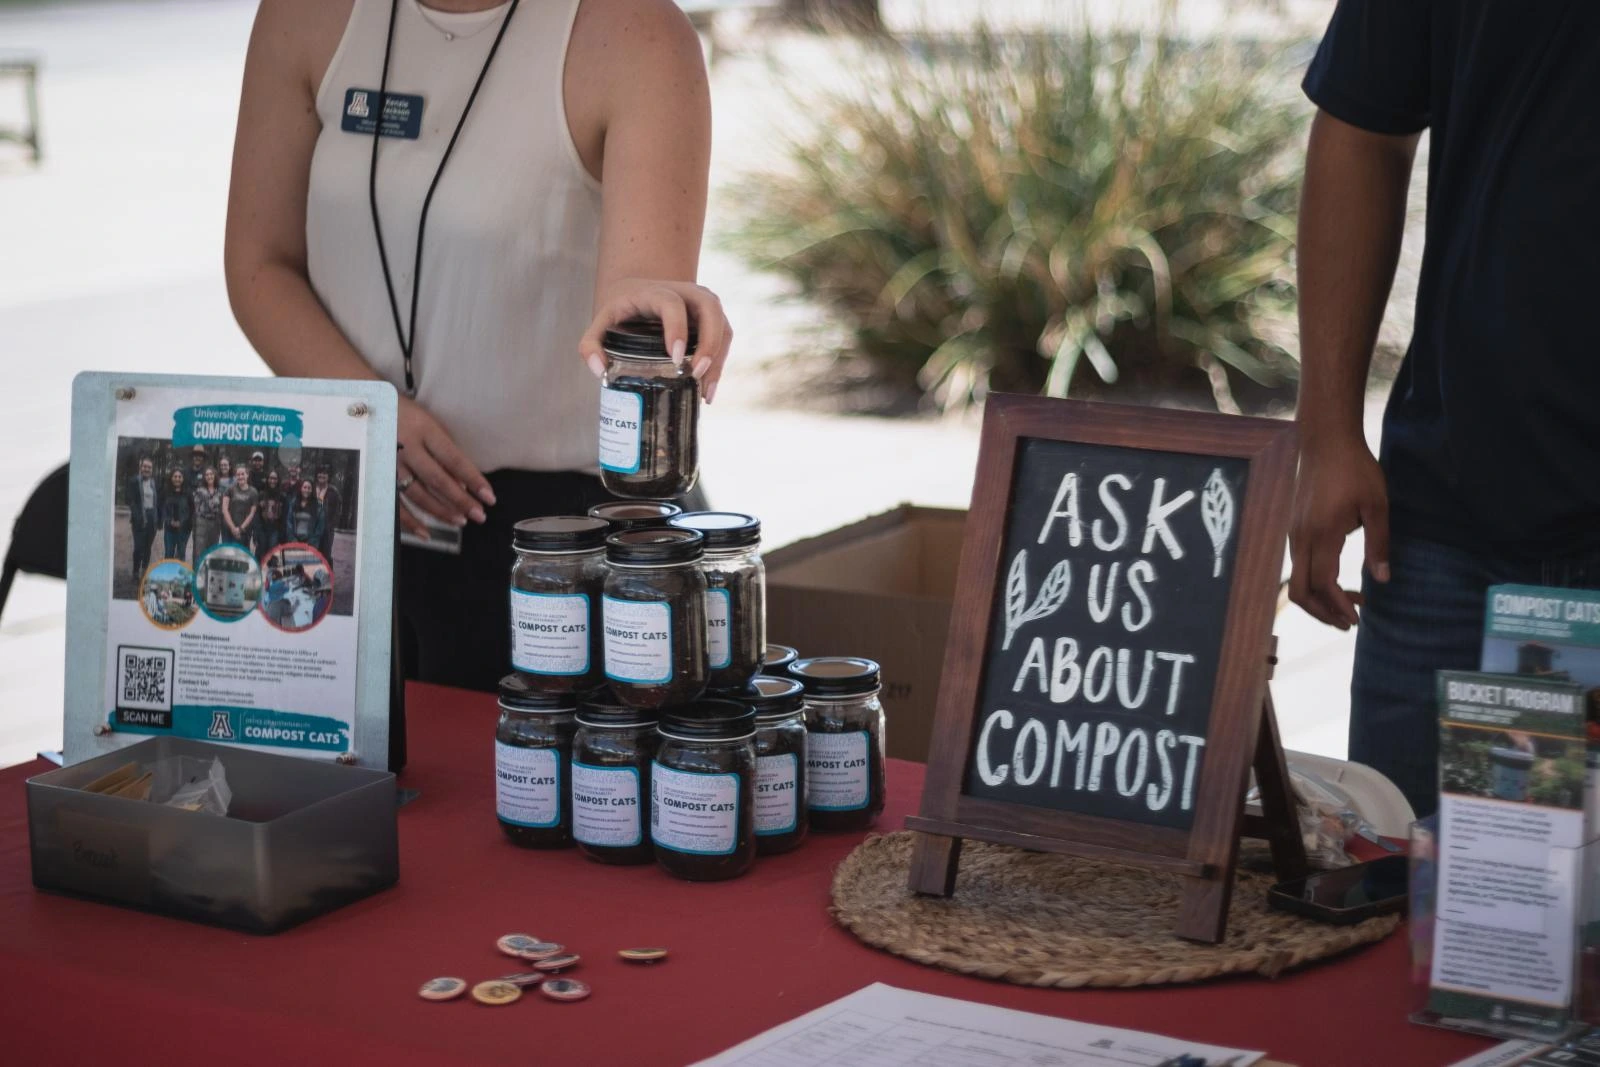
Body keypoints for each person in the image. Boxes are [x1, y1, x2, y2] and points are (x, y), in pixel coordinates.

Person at [224, 0, 734, 691]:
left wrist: (658, 317)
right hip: (342, 498)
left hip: (549, 543)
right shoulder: (304, 15)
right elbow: (259, 263)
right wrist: (373, 416)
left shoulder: (633, 33)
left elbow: (634, 306)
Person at [1290, 2, 1600, 818]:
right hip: (1451, 535)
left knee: (1568, 931)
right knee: (1408, 917)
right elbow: (1364, 127)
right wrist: (1326, 437)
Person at [126, 456, 160, 582]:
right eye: (145, 466)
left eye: (149, 467)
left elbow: (158, 502)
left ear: (152, 470)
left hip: (152, 518)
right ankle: (135, 571)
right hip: (139, 518)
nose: (147, 469)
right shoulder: (134, 481)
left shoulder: (154, 483)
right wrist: (137, 515)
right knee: (138, 547)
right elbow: (130, 500)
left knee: (147, 547)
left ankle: (144, 571)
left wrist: (158, 519)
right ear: (141, 468)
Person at [223, 465, 260, 549]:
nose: (240, 476)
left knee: (242, 555)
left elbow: (252, 513)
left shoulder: (253, 492)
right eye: (238, 474)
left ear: (247, 475)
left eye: (242, 474)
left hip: (245, 530)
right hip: (229, 528)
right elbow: (224, 509)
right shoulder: (230, 489)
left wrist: (240, 529)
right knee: (227, 554)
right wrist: (233, 528)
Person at [160, 468, 192, 562]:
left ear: (183, 479)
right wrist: (169, 521)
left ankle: (179, 576)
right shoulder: (165, 492)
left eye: (179, 477)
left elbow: (191, 510)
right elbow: (162, 509)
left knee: (181, 555)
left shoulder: (188, 493)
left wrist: (182, 522)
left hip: (184, 529)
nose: (177, 479)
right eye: (175, 476)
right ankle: (168, 575)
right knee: (169, 553)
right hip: (169, 529)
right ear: (171, 478)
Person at [191, 466, 225, 557]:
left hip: (215, 523)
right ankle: (197, 570)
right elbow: (196, 508)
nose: (209, 476)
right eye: (207, 475)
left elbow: (222, 507)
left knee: (212, 550)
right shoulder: (199, 490)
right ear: (204, 477)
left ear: (215, 476)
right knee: (199, 550)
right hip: (202, 522)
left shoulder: (220, 491)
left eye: (211, 474)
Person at [312, 467, 340, 565]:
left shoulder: (333, 491)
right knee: (312, 553)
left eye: (325, 473)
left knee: (325, 555)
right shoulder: (311, 488)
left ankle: (327, 576)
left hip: (327, 529)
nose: (322, 475)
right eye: (320, 473)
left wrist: (330, 525)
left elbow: (337, 511)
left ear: (328, 476)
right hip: (313, 528)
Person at [256, 468, 286, 560]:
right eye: (270, 478)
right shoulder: (261, 494)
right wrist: (257, 530)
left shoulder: (282, 496)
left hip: (275, 529)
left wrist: (282, 533)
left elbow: (284, 516)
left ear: (278, 480)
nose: (272, 481)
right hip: (262, 527)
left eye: (275, 478)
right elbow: (257, 514)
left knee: (272, 554)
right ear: (267, 479)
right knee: (261, 552)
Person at [288, 479, 324, 548]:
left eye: (309, 488)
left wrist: (311, 543)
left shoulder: (318, 506)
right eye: (304, 487)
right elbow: (289, 522)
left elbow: (319, 528)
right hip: (294, 541)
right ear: (301, 489)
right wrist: (292, 539)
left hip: (310, 544)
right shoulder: (293, 503)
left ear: (312, 490)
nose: (306, 490)